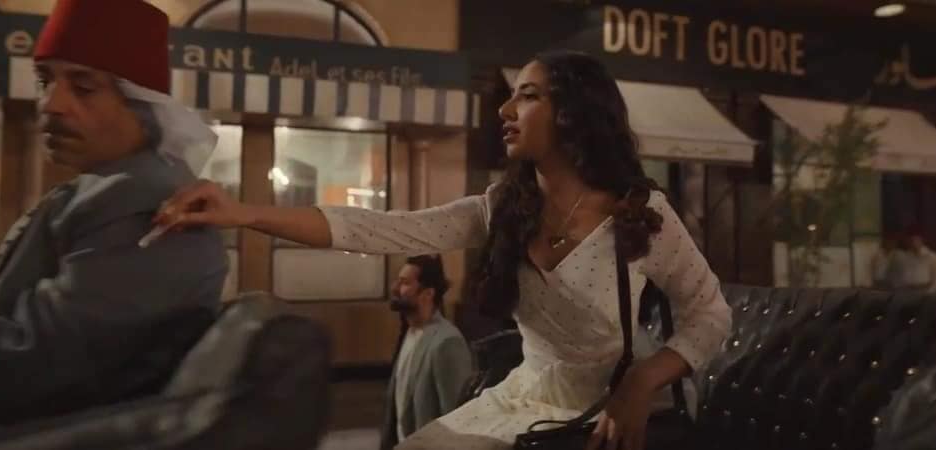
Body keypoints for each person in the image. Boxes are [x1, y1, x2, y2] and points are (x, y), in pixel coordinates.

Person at [154, 51, 732, 450]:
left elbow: (710, 314)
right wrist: (242, 213)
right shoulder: (502, 208)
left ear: (573, 114)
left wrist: (641, 383)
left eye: (527, 97)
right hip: (524, 398)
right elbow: (378, 229)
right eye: (510, 97)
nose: (504, 111)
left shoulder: (641, 212)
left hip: (609, 411)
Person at [0, 0, 227, 425]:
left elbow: (35, 365)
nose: (50, 104)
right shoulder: (104, 186)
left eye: (83, 88)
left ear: (143, 106)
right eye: (45, 81)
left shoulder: (147, 198)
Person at [382, 255, 472, 450]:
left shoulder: (447, 342)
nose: (395, 288)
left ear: (428, 293)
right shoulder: (409, 333)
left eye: (405, 283)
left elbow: (456, 419)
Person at [891, 226, 936, 293]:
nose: (913, 242)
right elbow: (896, 278)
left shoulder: (931, 257)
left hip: (926, 293)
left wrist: (928, 294)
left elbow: (934, 282)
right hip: (906, 293)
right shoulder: (903, 258)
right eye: (910, 240)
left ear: (922, 239)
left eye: (915, 239)